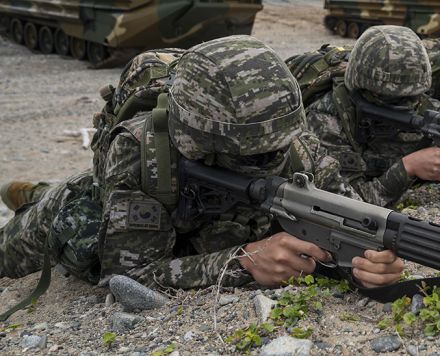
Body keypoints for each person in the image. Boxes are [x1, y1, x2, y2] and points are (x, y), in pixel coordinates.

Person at [0, 36, 403, 291]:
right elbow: (125, 277)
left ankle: (32, 190)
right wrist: (241, 262)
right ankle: (36, 196)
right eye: (248, 154)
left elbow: (349, 216)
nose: (269, 161)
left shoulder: (297, 145)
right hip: (84, 207)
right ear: (198, 142)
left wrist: (365, 265)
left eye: (275, 148)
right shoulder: (141, 152)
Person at [305, 25, 440, 208]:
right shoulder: (327, 119)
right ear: (362, 89)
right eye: (391, 99)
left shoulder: (422, 108)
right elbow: (346, 204)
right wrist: (408, 168)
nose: (406, 106)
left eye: (413, 96)